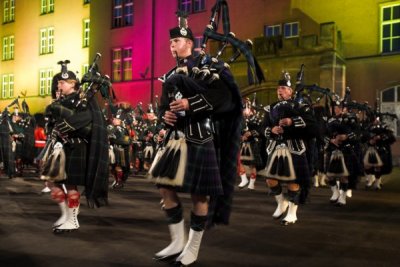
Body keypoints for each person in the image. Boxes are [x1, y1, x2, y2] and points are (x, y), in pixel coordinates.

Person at [150, 15, 242, 266]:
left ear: (190, 43)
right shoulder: (169, 75)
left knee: (200, 196)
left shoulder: (208, 65)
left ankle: (192, 247)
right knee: (165, 187)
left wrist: (191, 103)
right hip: (175, 138)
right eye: (170, 42)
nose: (172, 46)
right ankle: (177, 242)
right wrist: (164, 116)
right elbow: (161, 108)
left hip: (200, 136)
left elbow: (224, 97)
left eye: (176, 40)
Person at [43, 61, 109, 233]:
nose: (59, 85)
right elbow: (51, 124)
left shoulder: (84, 101)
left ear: (72, 83)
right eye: (58, 83)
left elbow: (88, 121)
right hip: (60, 148)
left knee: (71, 186)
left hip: (76, 147)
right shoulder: (60, 101)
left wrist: (65, 122)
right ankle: (66, 214)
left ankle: (73, 220)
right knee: (51, 183)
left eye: (62, 82)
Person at [261, 71, 317, 225]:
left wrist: (292, 122)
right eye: (278, 88)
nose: (280, 90)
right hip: (276, 147)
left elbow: (313, 128)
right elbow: (263, 127)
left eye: (284, 88)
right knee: (270, 179)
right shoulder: (269, 108)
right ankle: (281, 202)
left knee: (294, 180)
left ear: (291, 91)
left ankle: (292, 213)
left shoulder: (301, 107)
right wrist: (271, 130)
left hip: (295, 147)